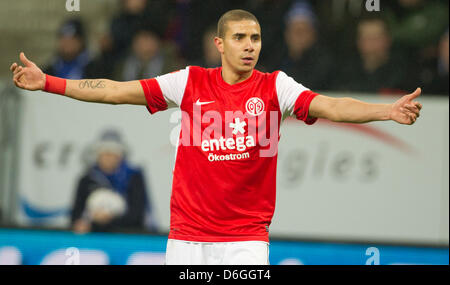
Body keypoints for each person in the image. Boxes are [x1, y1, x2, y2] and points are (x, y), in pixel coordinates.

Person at [10, 9, 422, 265]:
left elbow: (331, 106)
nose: (249, 46)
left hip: (245, 239)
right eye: (240, 38)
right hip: (188, 237)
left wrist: (387, 111)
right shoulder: (188, 82)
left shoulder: (276, 87)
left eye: (256, 38)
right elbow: (116, 91)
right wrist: (48, 81)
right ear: (219, 44)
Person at [71, 129, 157, 233]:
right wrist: (85, 222)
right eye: (105, 153)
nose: (108, 158)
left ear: (120, 156)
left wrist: (109, 219)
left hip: (127, 235)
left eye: (113, 154)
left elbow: (137, 214)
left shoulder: (133, 178)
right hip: (94, 236)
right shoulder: (87, 179)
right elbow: (76, 214)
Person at [333, 16, 410, 94]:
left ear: (388, 40)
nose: (372, 44)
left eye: (377, 38)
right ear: (358, 42)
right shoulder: (344, 71)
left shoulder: (405, 72)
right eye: (367, 38)